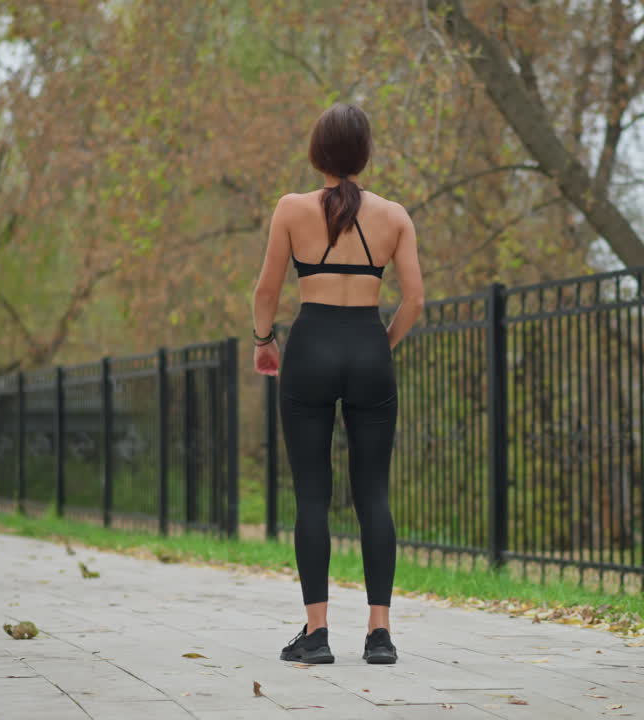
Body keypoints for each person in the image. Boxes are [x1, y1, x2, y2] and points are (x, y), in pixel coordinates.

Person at [251, 103, 424, 665]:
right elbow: (416, 301)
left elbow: (266, 293)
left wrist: (264, 342)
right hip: (368, 347)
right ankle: (380, 635)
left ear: (317, 152)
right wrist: (379, 345)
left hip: (311, 349)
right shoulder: (395, 215)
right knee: (373, 492)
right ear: (365, 153)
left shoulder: (292, 208)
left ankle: (316, 632)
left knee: (312, 495)